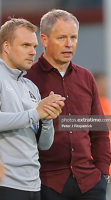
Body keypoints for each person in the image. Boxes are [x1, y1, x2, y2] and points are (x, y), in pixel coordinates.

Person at [25, 9, 111, 200]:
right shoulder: (27, 79)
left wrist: (102, 174)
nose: (69, 44)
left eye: (73, 37)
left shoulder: (87, 77)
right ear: (44, 40)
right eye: (62, 37)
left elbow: (99, 130)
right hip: (46, 184)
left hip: (89, 183)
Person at [0, 18, 65, 200]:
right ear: (6, 46)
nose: (33, 52)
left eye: (35, 47)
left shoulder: (31, 86)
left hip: (33, 184)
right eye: (26, 45)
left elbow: (44, 145)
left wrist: (46, 119)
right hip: (5, 183)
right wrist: (36, 113)